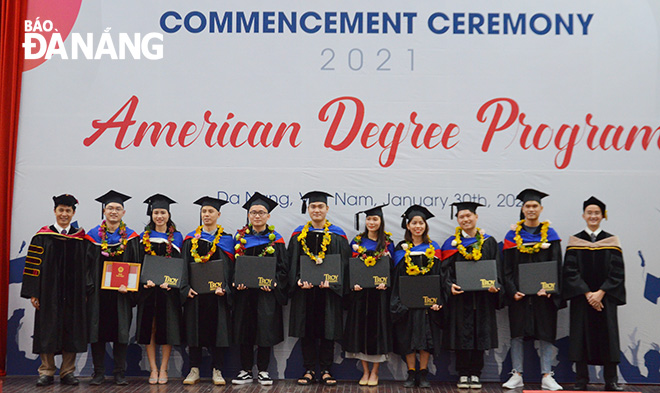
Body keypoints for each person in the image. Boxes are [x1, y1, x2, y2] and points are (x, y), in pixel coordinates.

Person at [20, 194, 91, 387]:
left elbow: (87, 268)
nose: (64, 214)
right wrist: (34, 292)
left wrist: (85, 291)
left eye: (68, 211)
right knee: (47, 330)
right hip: (48, 293)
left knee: (72, 330)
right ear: (55, 211)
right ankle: (46, 371)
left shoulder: (81, 239)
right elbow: (33, 266)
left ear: (73, 213)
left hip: (74, 294)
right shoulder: (42, 237)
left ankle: (68, 372)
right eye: (61, 210)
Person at [501, 189, 564, 391]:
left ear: (541, 208)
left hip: (543, 295)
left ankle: (547, 375)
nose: (531, 209)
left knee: (545, 333)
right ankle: (517, 374)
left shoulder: (551, 236)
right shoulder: (512, 237)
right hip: (519, 295)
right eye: (527, 206)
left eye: (534, 206)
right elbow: (506, 269)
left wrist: (550, 289)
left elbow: (556, 265)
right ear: (522, 208)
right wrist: (512, 291)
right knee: (517, 333)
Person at [288, 191, 351, 386]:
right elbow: (292, 264)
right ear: (308, 210)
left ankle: (325, 370)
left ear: (327, 209)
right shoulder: (299, 235)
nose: (317, 210)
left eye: (320, 207)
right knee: (306, 331)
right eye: (313, 207)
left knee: (328, 331)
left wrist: (333, 282)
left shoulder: (337, 236)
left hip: (328, 293)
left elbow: (344, 265)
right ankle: (308, 370)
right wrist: (298, 280)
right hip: (305, 292)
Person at [562, 196, 626, 392]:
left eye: (597, 213)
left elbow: (617, 272)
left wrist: (601, 293)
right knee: (580, 337)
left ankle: (611, 380)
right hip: (583, 299)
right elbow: (570, 271)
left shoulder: (612, 241)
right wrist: (588, 293)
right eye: (589, 212)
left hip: (605, 299)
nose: (593, 216)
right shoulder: (575, 242)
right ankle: (581, 380)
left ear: (602, 216)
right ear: (583, 215)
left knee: (609, 337)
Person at [440, 202, 501, 390]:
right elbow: (444, 272)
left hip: (482, 299)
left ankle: (476, 373)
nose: (465, 219)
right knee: (461, 335)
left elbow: (496, 268)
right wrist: (450, 286)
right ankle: (463, 372)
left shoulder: (488, 242)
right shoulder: (452, 244)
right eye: (461, 217)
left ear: (476, 217)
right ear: (457, 220)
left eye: (468, 216)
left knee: (479, 334)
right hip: (461, 298)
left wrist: (495, 286)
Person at [231, 192, 288, 385]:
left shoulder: (276, 241)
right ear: (248, 215)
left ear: (268, 216)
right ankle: (245, 370)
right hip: (244, 294)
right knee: (244, 330)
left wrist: (273, 283)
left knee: (265, 330)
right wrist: (236, 281)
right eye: (253, 212)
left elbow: (283, 269)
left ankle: (264, 370)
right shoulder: (240, 239)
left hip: (266, 295)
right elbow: (232, 267)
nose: (257, 216)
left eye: (261, 212)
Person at [85, 190, 141, 385]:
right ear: (104, 211)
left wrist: (132, 287)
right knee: (97, 332)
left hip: (121, 294)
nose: (114, 212)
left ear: (123, 213)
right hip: (98, 295)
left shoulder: (132, 238)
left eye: (118, 208)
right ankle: (98, 372)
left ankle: (119, 373)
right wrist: (89, 288)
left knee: (121, 332)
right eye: (110, 208)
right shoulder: (92, 237)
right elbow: (85, 267)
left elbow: (137, 265)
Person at [180, 196, 235, 386]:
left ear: (218, 214)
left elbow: (231, 270)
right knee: (194, 332)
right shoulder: (190, 240)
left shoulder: (227, 241)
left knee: (218, 333)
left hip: (217, 297)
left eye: (210, 211)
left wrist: (226, 289)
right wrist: (185, 288)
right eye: (204, 211)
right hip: (195, 296)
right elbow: (183, 268)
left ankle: (217, 370)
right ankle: (194, 369)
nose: (206, 215)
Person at [390, 205, 443, 388]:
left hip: (427, 302)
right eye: (414, 223)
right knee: (408, 337)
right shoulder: (400, 249)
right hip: (408, 302)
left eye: (421, 223)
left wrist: (437, 300)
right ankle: (411, 374)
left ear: (425, 226)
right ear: (408, 226)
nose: (417, 226)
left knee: (426, 338)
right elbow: (397, 278)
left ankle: (423, 373)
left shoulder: (433, 248)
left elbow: (439, 277)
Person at [135, 194, 184, 385]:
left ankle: (164, 368)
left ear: (168, 214)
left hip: (168, 291)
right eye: (156, 212)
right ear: (151, 214)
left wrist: (172, 282)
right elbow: (138, 264)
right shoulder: (143, 237)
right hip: (148, 290)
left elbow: (181, 265)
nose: (159, 216)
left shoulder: (177, 237)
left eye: (163, 212)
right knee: (151, 329)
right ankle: (153, 369)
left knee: (167, 329)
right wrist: (143, 281)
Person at [344, 204, 394, 386]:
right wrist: (353, 284)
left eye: (375, 219)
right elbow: (350, 268)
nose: (371, 222)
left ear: (381, 221)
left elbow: (393, 270)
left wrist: (386, 284)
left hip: (379, 297)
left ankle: (375, 372)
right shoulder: (357, 243)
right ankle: (365, 371)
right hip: (360, 296)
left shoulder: (388, 244)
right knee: (360, 332)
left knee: (377, 333)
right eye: (369, 219)